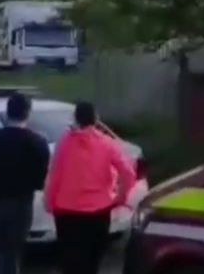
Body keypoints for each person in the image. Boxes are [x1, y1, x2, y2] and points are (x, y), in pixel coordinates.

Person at [44, 101, 136, 274]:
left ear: (76, 118)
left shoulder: (64, 143)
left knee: (70, 263)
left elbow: (55, 174)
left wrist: (49, 201)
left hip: (66, 212)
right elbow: (128, 173)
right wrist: (121, 196)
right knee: (92, 263)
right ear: (96, 119)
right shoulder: (107, 144)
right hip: (98, 212)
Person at [0, 93, 51, 274]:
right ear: (27, 113)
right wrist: (30, 183)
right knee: (13, 253)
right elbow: (42, 178)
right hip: (22, 204)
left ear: (7, 113)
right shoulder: (38, 142)